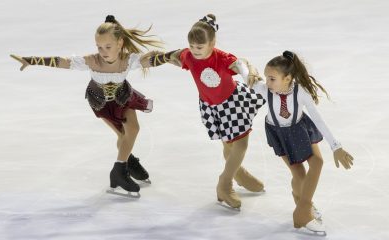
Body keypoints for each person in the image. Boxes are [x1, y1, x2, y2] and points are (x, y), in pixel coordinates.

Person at [10, 15, 162, 196]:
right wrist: (32, 60)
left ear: (120, 43)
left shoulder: (127, 60)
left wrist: (173, 56)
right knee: (123, 135)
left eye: (108, 47)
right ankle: (126, 163)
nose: (103, 51)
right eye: (99, 47)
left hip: (123, 97)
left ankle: (120, 168)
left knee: (133, 129)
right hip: (102, 103)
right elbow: (63, 62)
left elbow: (149, 61)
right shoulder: (93, 61)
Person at [149, 14, 266, 209]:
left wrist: (251, 72)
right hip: (211, 106)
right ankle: (232, 177)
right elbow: (174, 56)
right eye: (192, 46)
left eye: (200, 47)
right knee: (229, 144)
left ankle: (230, 178)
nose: (195, 51)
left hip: (232, 103)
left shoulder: (222, 58)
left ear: (212, 43)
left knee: (240, 143)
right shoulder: (188, 55)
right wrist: (155, 58)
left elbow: (241, 64)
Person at [247, 50, 354, 233]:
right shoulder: (265, 90)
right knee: (299, 174)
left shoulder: (301, 93)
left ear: (287, 78)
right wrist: (247, 67)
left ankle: (303, 209)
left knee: (318, 162)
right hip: (279, 133)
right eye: (266, 77)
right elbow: (242, 71)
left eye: (272, 78)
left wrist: (336, 146)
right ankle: (303, 207)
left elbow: (318, 119)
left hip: (299, 128)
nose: (267, 82)